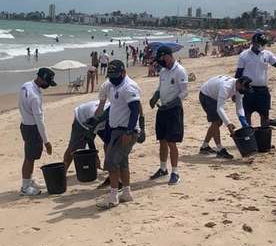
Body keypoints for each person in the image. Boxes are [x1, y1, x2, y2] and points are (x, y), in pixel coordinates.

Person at [98, 60, 144, 208]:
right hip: (116, 129)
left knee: (111, 162)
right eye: (110, 76)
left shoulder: (128, 87)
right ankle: (126, 192)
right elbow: (114, 106)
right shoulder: (112, 85)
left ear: (123, 72)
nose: (113, 78)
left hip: (125, 131)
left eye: (116, 75)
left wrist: (130, 131)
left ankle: (113, 196)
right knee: (122, 162)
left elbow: (135, 109)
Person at [235, 32, 276, 127]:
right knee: (247, 115)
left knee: (265, 116)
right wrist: (236, 92)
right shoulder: (244, 55)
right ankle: (250, 137)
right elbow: (238, 74)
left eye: (264, 43)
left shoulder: (267, 54)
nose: (263, 45)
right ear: (254, 43)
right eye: (262, 43)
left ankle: (264, 137)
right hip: (247, 90)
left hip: (262, 90)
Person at [148, 46, 188, 185]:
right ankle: (163, 168)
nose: (161, 62)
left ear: (168, 56)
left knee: (172, 142)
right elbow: (160, 88)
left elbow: (184, 93)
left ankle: (175, 172)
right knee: (162, 140)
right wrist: (155, 97)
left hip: (174, 110)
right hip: (162, 109)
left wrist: (171, 104)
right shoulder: (163, 72)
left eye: (162, 58)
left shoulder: (180, 71)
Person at [18, 68, 56, 195]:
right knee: (29, 158)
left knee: (31, 157)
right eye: (47, 82)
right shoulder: (35, 97)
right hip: (33, 128)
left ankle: (29, 180)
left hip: (24, 124)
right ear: (41, 79)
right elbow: (39, 121)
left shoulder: (25, 85)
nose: (48, 86)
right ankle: (25, 187)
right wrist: (47, 142)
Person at [198, 75, 252, 159]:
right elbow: (220, 108)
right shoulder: (226, 87)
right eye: (243, 89)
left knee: (216, 123)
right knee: (217, 121)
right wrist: (228, 124)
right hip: (206, 95)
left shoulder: (239, 88)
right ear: (239, 83)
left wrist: (243, 120)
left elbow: (239, 107)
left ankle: (204, 147)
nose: (243, 91)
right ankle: (220, 150)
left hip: (214, 92)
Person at [63, 99, 107, 173]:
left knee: (110, 142)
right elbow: (89, 139)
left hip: (100, 121)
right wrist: (95, 157)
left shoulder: (117, 115)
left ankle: (108, 168)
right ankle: (63, 171)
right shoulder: (96, 117)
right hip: (82, 118)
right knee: (74, 147)